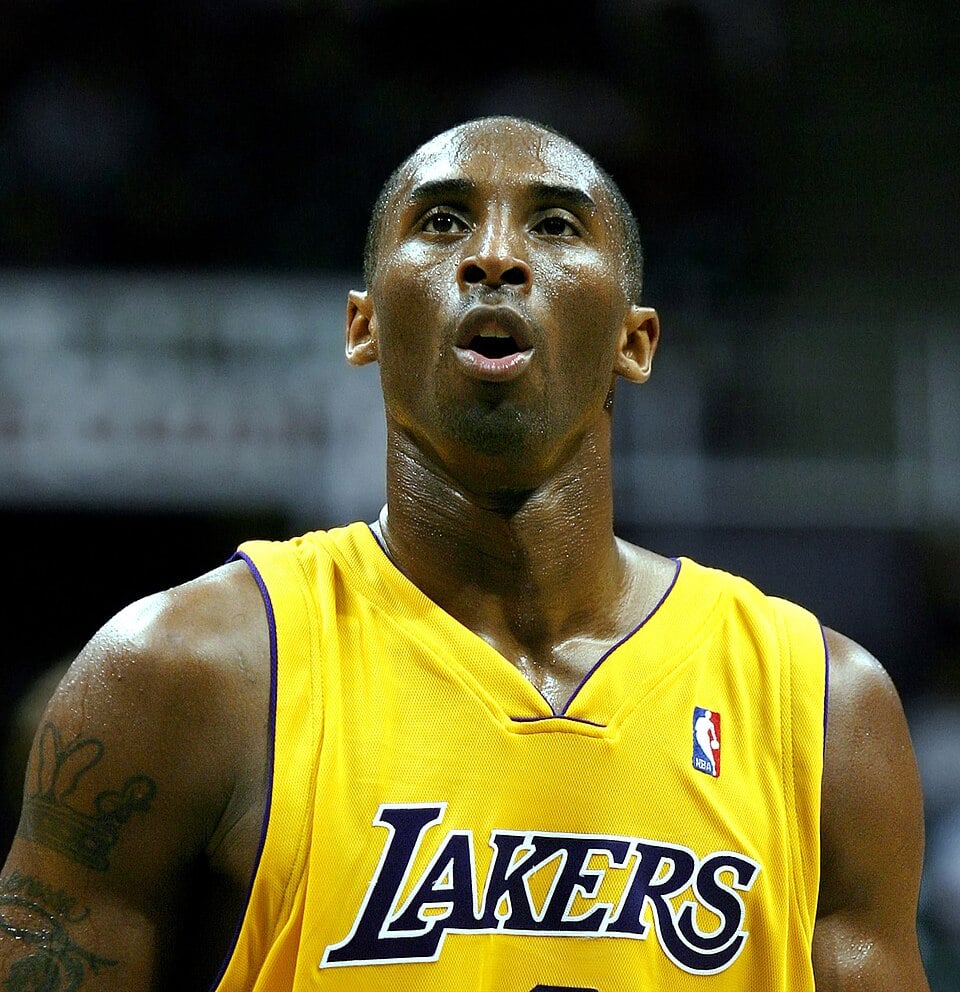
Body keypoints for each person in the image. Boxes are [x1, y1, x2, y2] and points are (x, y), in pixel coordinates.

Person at [0, 115, 929, 991]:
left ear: (634, 341)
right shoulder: (186, 669)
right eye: (442, 222)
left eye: (558, 225)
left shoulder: (819, 705)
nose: (493, 254)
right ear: (362, 325)